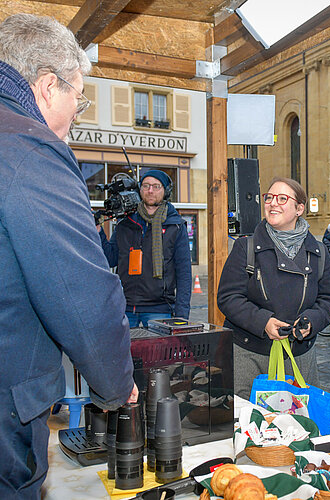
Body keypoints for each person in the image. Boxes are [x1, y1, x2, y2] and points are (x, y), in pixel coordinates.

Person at [0, 13, 137, 499]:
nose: (79, 109)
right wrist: (117, 385)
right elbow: (80, 293)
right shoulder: (30, 150)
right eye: (78, 94)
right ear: (44, 86)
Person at [217, 177, 330, 399]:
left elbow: (329, 299)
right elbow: (228, 297)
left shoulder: (318, 252)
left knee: (299, 425)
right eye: (269, 197)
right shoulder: (246, 247)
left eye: (282, 199)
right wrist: (263, 322)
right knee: (249, 425)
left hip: (299, 356)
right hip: (250, 356)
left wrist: (311, 321)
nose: (273, 203)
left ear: (299, 208)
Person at [99, 169, 192, 327]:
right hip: (125, 307)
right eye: (146, 185)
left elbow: (184, 273)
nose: (150, 190)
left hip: (160, 308)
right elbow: (110, 258)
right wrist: (99, 232)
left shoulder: (175, 226)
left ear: (166, 191)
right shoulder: (125, 223)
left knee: (158, 352)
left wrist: (182, 314)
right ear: (139, 189)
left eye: (156, 186)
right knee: (125, 352)